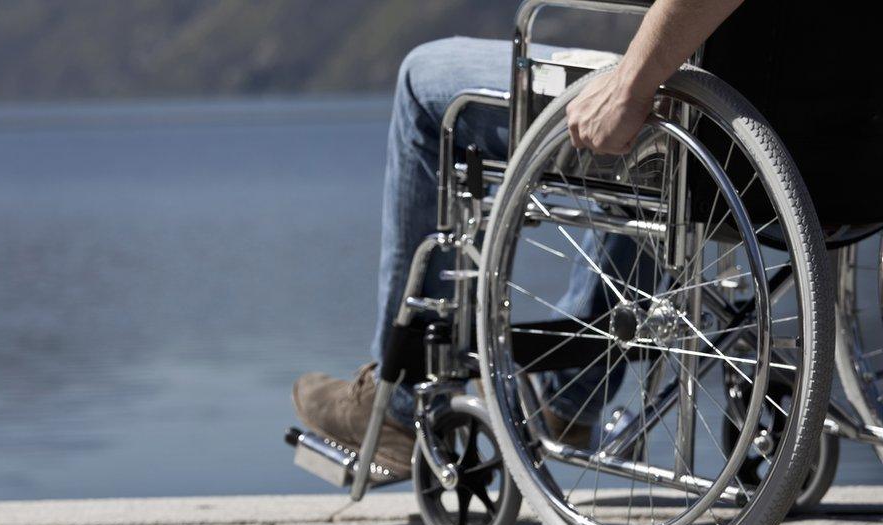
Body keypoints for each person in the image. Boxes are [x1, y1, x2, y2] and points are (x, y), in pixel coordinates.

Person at [293, 0, 883, 477]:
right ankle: (570, 394)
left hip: (722, 134)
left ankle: (398, 404)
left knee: (425, 77)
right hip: (844, 170)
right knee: (664, 138)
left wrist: (635, 77)